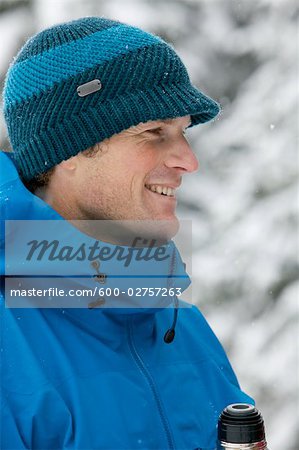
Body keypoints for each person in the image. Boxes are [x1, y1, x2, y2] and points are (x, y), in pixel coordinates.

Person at [0, 16, 253, 450]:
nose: (188, 161)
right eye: (154, 132)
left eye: (182, 132)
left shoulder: (185, 328)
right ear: (70, 151)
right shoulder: (11, 350)